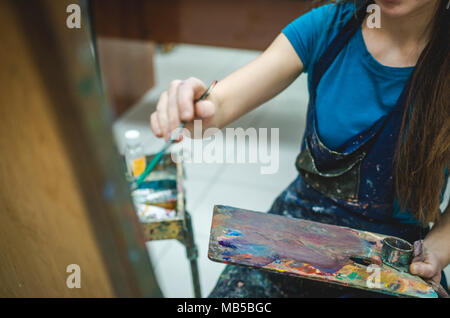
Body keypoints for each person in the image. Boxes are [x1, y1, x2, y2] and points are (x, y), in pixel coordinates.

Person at [149, 0, 450, 297]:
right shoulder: (332, 25)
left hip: (394, 256)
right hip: (299, 225)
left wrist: (437, 249)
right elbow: (222, 102)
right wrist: (195, 108)